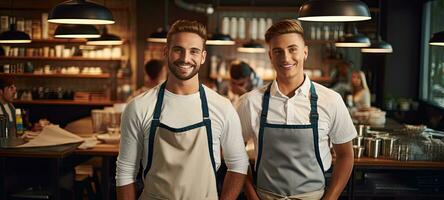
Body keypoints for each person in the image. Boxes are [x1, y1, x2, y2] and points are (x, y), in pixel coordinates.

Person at [116, 20, 248, 200]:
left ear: (202, 57)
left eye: (193, 51)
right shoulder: (139, 107)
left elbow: (239, 164)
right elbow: (125, 170)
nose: (185, 58)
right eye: (178, 49)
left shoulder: (222, 107)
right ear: (166, 52)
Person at [236, 19, 356, 200]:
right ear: (270, 56)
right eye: (278, 51)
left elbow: (346, 156)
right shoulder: (249, 102)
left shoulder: (331, 101)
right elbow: (234, 155)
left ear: (305, 52)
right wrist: (252, 197)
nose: (286, 58)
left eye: (292, 49)